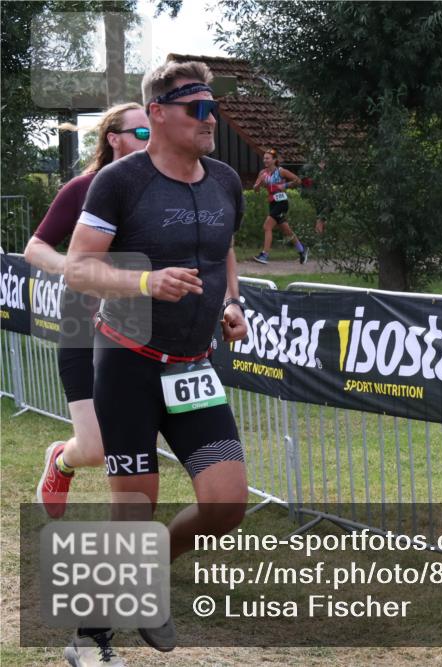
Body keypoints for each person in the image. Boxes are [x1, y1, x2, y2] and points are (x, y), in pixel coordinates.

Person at [64, 60, 249, 665]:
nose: (210, 118)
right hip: (129, 362)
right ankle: (90, 638)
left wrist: (233, 303)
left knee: (226, 504)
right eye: (198, 108)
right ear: (159, 114)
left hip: (193, 366)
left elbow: (224, 250)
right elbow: (79, 267)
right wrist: (145, 283)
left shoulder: (225, 180)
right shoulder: (120, 182)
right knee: (133, 509)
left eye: (213, 107)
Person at [27, 103, 149, 520]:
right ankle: (61, 459)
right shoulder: (83, 188)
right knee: (94, 450)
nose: (151, 140)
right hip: (82, 323)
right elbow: (35, 247)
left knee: (132, 442)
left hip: (139, 329)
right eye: (142, 133)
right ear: (114, 139)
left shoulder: (161, 189)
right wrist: (73, 268)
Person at [252, 148, 307, 264]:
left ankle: (264, 255)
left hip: (282, 203)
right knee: (286, 230)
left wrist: (285, 185)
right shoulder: (262, 173)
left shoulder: (281, 171)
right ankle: (302, 250)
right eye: (264, 158)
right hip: (272, 203)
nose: (265, 160)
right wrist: (260, 183)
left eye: (268, 158)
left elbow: (298, 180)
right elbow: (255, 189)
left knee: (267, 226)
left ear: (274, 160)